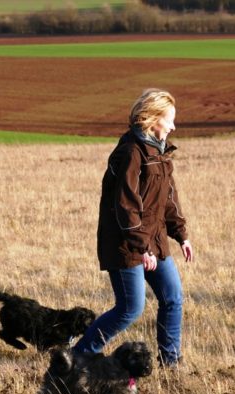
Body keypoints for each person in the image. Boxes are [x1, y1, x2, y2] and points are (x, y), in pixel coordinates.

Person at [73, 88, 193, 367]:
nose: (173, 127)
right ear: (152, 118)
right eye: (169, 120)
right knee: (130, 309)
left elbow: (168, 199)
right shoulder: (130, 152)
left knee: (173, 297)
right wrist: (142, 248)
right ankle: (77, 358)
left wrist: (181, 235)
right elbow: (126, 206)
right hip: (126, 243)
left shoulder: (160, 152)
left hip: (154, 240)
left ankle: (170, 363)